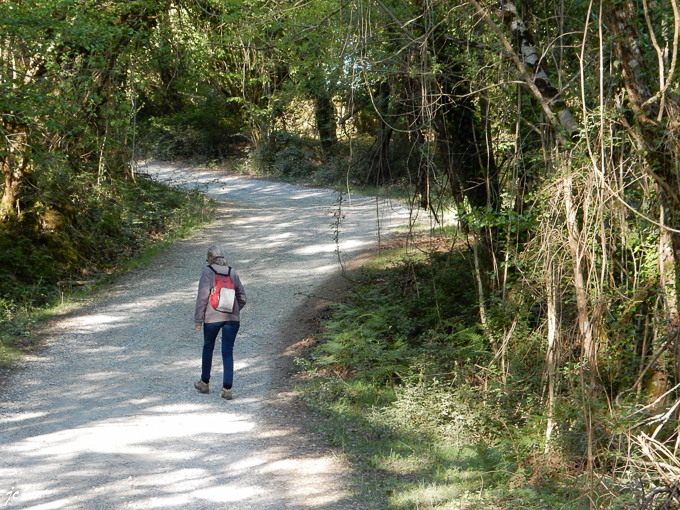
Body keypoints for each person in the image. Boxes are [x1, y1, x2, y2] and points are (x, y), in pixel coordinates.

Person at [193, 245, 247, 400]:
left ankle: (204, 383)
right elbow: (242, 297)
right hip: (232, 319)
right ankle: (227, 389)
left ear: (210, 258)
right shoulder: (233, 272)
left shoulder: (208, 271)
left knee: (208, 347)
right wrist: (234, 309)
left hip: (212, 318)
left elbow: (202, 297)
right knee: (227, 351)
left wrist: (198, 319)